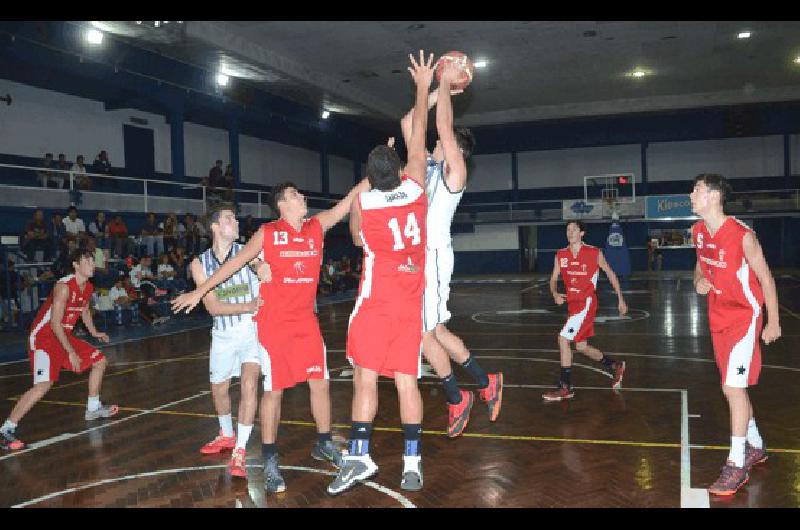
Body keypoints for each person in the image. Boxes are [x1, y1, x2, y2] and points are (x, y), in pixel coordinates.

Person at [172, 178, 371, 493]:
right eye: (295, 194)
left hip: (306, 322)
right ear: (282, 204)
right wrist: (200, 291)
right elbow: (234, 263)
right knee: (274, 392)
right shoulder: (267, 234)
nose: (302, 196)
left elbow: (346, 203)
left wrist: (373, 175)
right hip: (274, 326)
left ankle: (323, 442)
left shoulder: (316, 227)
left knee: (321, 384)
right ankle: (269, 459)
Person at [327, 50, 433, 496]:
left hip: (374, 306)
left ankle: (360, 454)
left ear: (369, 177)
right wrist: (424, 86)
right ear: (398, 170)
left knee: (365, 379)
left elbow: (353, 230)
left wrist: (368, 179)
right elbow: (418, 140)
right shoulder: (416, 189)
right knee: (407, 382)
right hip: (409, 306)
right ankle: (412, 464)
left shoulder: (363, 207)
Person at [398, 59, 502, 438]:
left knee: (421, 333)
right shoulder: (426, 165)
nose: (439, 140)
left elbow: (442, 125)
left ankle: (457, 397)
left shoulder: (454, 172)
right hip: (422, 258)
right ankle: (485, 380)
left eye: (446, 140)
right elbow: (409, 124)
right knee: (435, 331)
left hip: (434, 256)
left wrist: (442, 85)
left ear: (457, 149)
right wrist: (428, 93)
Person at [689, 173, 780, 496]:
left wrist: (774, 322)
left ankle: (736, 463)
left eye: (697, 190)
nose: (691, 195)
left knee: (732, 386)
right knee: (733, 388)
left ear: (714, 197)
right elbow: (700, 266)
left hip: (745, 316)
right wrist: (699, 281)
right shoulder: (698, 232)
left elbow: (766, 278)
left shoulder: (742, 235)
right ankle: (755, 445)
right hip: (718, 317)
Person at [0, 248, 119, 452]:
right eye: (88, 261)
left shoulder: (88, 287)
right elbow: (55, 324)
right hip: (45, 337)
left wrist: (94, 331)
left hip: (63, 335)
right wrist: (70, 352)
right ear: (75, 264)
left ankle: (92, 407)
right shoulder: (63, 287)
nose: (92, 264)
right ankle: (5, 430)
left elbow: (83, 311)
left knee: (99, 360)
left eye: (93, 261)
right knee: (43, 385)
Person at [193, 205, 267, 478]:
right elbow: (212, 307)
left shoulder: (247, 253)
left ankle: (240, 449)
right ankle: (226, 433)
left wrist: (265, 269)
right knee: (219, 390)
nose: (235, 222)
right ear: (215, 227)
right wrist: (249, 304)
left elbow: (261, 268)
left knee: (249, 385)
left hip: (251, 331)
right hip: (222, 334)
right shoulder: (199, 264)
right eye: (229, 218)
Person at [542, 220, 628, 401]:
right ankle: (614, 365)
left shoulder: (594, 253)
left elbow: (611, 273)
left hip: (586, 303)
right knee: (581, 346)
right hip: (572, 305)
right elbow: (552, 278)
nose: (570, 232)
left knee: (563, 339)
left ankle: (565, 387)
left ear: (582, 233)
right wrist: (555, 292)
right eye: (568, 229)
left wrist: (620, 298)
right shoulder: (561, 255)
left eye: (574, 229)